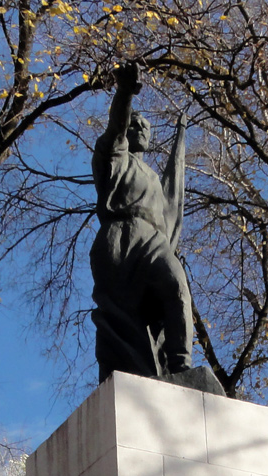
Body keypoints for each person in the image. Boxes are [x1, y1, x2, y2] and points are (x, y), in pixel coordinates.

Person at [90, 63, 203, 384]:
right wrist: (125, 92)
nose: (142, 129)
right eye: (136, 124)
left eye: (147, 127)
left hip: (154, 242)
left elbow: (172, 200)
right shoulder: (113, 157)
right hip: (119, 239)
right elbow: (116, 126)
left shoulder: (153, 177)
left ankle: (181, 366)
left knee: (177, 287)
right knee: (124, 323)